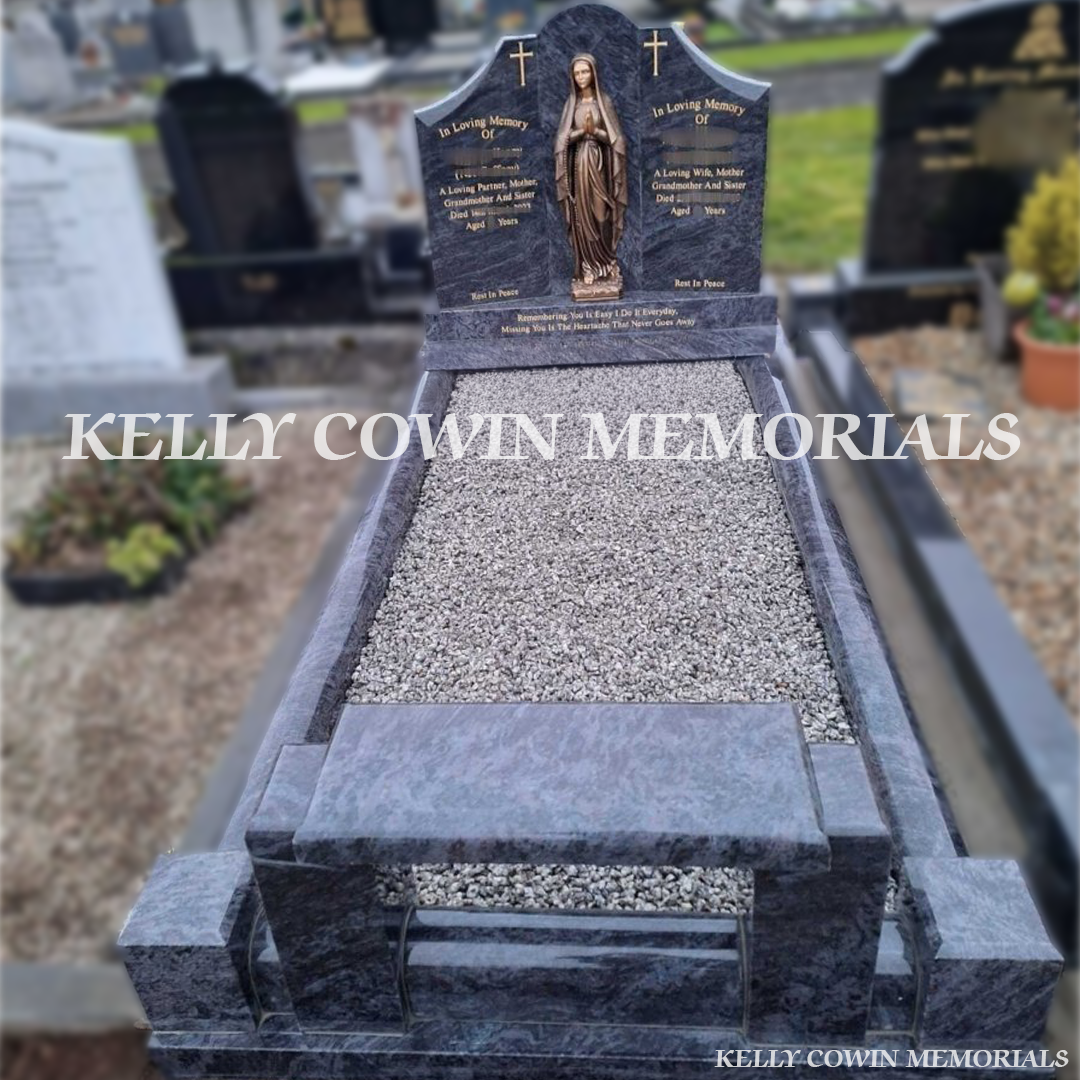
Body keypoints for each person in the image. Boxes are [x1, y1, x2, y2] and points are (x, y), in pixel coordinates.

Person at [554, 53, 627, 295]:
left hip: (599, 163)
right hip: (579, 166)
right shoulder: (571, 104)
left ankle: (606, 263)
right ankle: (588, 266)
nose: (581, 77)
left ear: (593, 73)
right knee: (583, 219)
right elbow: (561, 141)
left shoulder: (603, 101)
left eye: (585, 71)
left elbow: (617, 140)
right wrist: (579, 133)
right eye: (577, 73)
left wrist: (595, 131)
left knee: (601, 214)